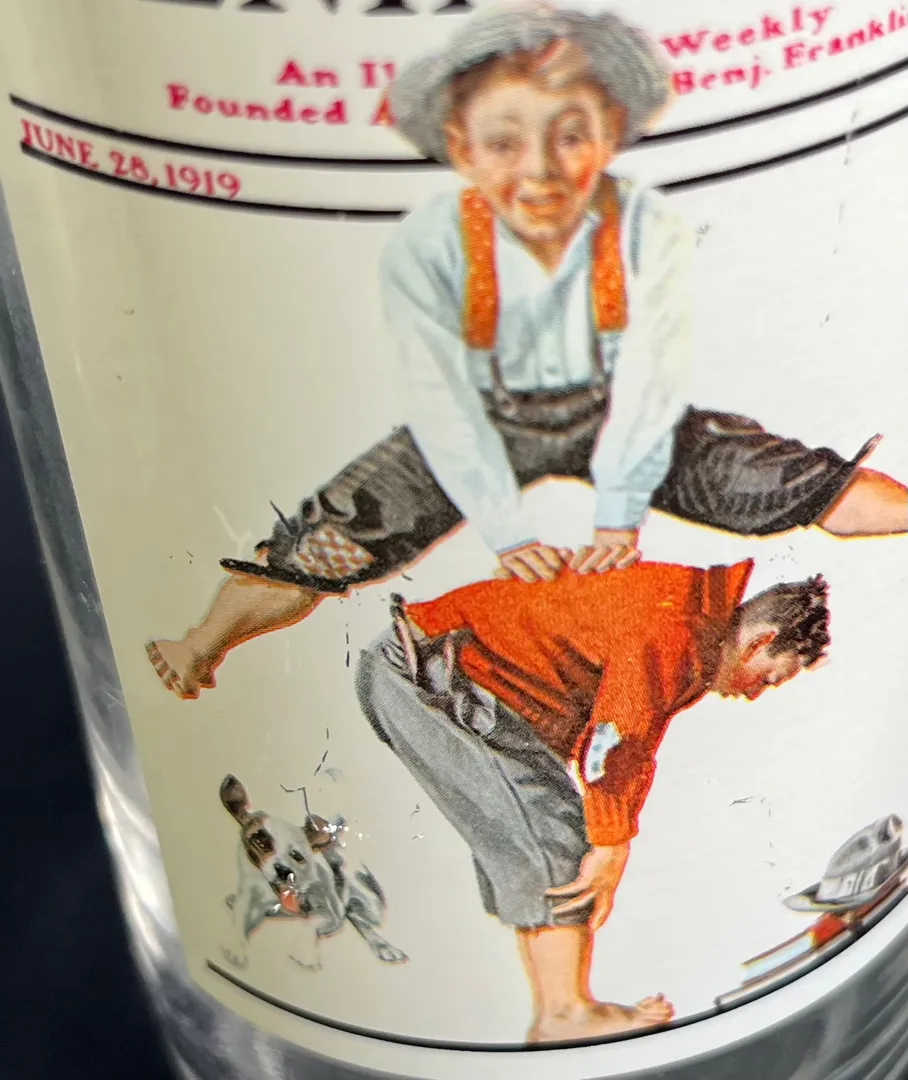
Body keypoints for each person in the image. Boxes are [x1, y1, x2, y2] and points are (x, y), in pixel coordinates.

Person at [147, 4, 903, 699]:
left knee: (789, 481)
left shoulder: (645, 229)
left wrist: (619, 515)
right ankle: (199, 645)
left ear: (609, 132)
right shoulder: (431, 247)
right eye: (505, 143)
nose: (539, 168)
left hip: (616, 412)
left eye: (569, 136)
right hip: (481, 421)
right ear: (462, 148)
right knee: (329, 539)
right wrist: (505, 529)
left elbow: (646, 382)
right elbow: (440, 403)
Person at [355, 558, 831, 1043]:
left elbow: (619, 736)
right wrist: (611, 845)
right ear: (760, 642)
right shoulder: (674, 627)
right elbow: (615, 741)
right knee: (558, 836)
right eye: (768, 678)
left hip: (438, 674)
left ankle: (559, 1010)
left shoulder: (694, 624)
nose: (756, 694)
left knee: (543, 831)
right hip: (427, 674)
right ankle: (563, 1015)